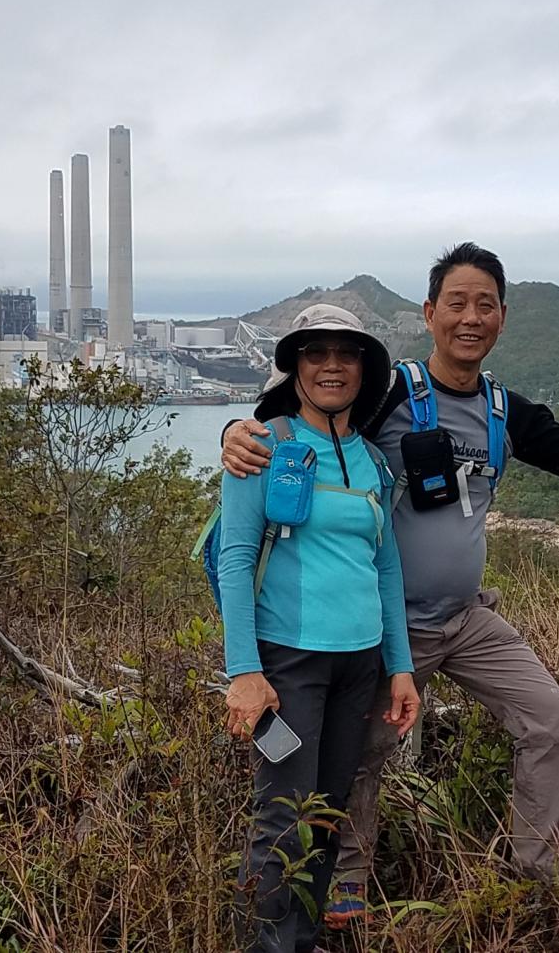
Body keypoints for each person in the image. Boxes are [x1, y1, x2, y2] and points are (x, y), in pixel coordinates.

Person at [221, 243, 559, 925]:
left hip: (466, 617)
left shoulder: (504, 410)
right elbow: (304, 412)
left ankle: (550, 874)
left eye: (485, 305)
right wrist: (235, 430)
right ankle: (345, 883)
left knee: (548, 718)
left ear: (502, 317)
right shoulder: (388, 393)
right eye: (457, 304)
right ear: (429, 314)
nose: (471, 318)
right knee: (363, 751)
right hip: (388, 622)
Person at [218, 303, 422, 952]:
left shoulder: (374, 463)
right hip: (289, 667)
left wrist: (400, 667)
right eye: (315, 352)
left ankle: (301, 940)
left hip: (359, 667)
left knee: (327, 818)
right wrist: (244, 670)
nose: (332, 365)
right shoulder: (263, 447)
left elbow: (385, 567)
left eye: (346, 353)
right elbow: (235, 557)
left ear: (364, 368)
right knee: (282, 822)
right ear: (296, 367)